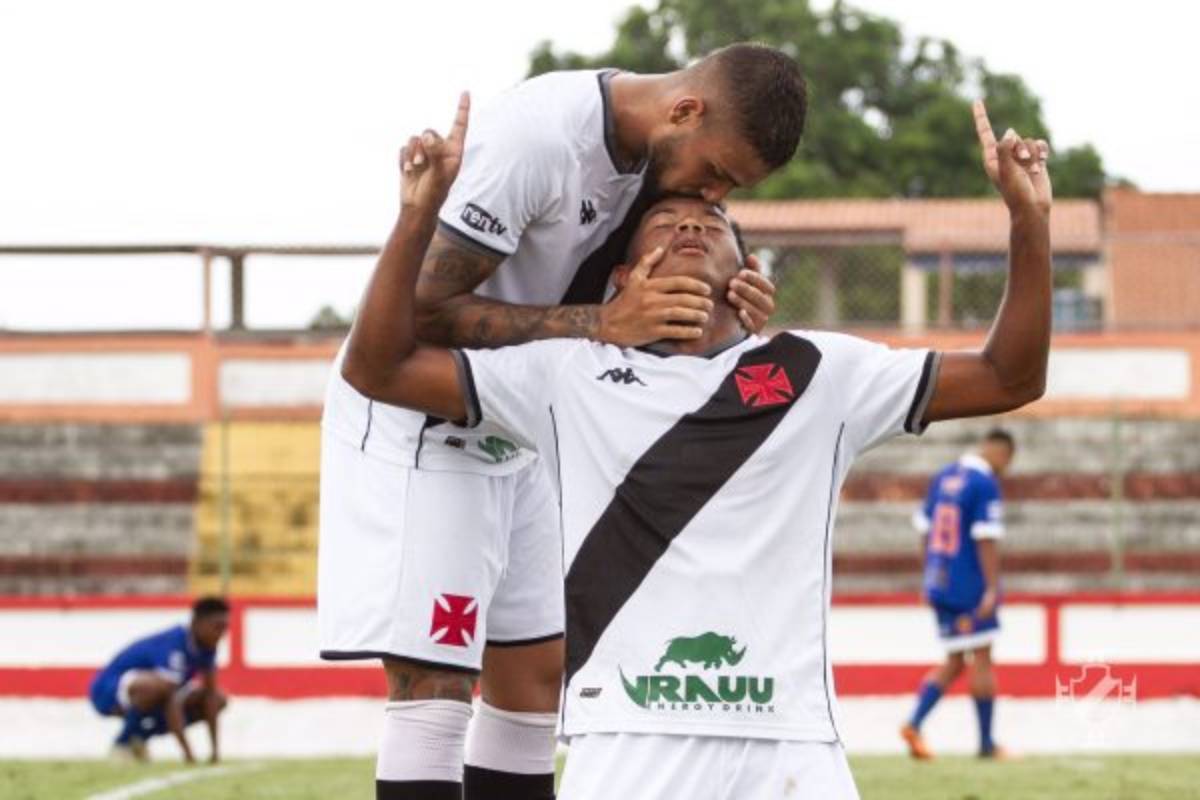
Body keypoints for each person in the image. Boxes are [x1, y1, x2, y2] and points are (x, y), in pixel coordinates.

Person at [337, 91, 1052, 798]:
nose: (689, 222)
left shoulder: (820, 371)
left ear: (748, 272)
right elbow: (377, 366)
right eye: (664, 220)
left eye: (711, 217)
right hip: (627, 748)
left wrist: (1029, 222)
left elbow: (1008, 375)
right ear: (622, 276)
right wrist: (415, 219)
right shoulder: (567, 372)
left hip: (793, 748)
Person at [321, 43, 806, 800]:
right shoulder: (538, 138)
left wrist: (732, 298)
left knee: (537, 677)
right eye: (717, 174)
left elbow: (641, 289)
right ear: (685, 110)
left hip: (525, 429)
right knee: (437, 681)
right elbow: (414, 316)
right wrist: (600, 322)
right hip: (430, 419)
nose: (712, 196)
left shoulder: (662, 157)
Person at [901, 428, 1015, 760]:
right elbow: (986, 537)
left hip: (939, 580)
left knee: (954, 659)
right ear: (1002, 453)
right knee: (981, 658)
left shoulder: (944, 476)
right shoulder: (984, 484)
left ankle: (914, 723)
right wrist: (991, 588)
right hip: (969, 584)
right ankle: (986, 744)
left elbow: (923, 529)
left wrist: (928, 576)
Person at [88, 596, 230, 763]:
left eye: (225, 628)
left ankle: (139, 738)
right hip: (107, 691)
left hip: (153, 692)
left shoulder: (207, 649)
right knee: (162, 688)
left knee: (219, 699)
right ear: (196, 623)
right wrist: (189, 755)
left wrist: (215, 753)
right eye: (217, 627)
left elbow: (210, 696)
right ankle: (122, 743)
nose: (222, 634)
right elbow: (171, 698)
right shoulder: (174, 643)